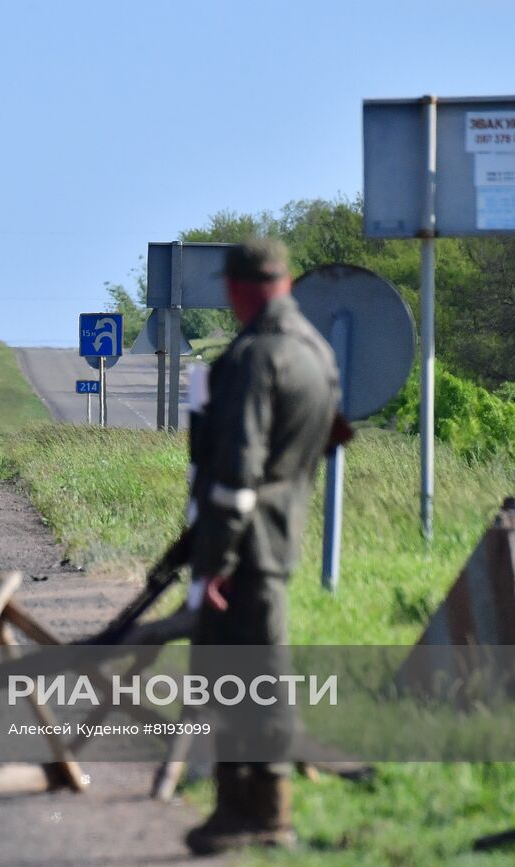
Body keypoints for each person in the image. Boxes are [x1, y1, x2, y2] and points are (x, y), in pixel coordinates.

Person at [183, 238, 341, 855]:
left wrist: (215, 561)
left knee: (238, 680)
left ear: (237, 288)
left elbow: (237, 472)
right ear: (287, 281)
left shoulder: (255, 357)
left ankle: (253, 811)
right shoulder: (316, 351)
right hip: (281, 534)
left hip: (243, 549)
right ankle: (255, 808)